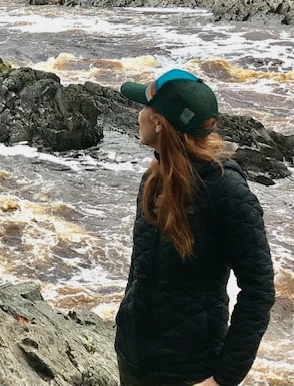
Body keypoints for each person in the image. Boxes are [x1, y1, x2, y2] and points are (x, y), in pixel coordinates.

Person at [114, 69, 275, 386]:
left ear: (160, 122)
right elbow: (142, 267)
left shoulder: (228, 192)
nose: (139, 115)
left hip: (189, 370)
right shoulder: (154, 177)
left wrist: (223, 378)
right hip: (133, 356)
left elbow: (259, 291)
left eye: (144, 108)